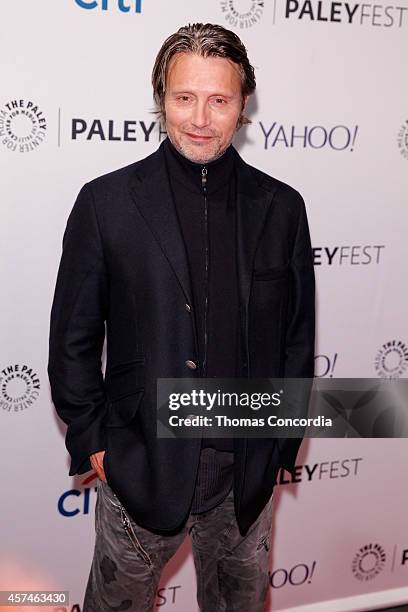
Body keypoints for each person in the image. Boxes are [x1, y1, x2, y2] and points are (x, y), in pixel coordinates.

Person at [48, 22, 315, 612]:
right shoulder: (106, 203)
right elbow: (72, 339)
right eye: (184, 97)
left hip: (245, 471)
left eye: (219, 100)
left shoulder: (282, 208)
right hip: (139, 464)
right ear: (161, 98)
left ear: (243, 104)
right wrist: (96, 442)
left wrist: (280, 445)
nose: (200, 117)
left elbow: (297, 340)